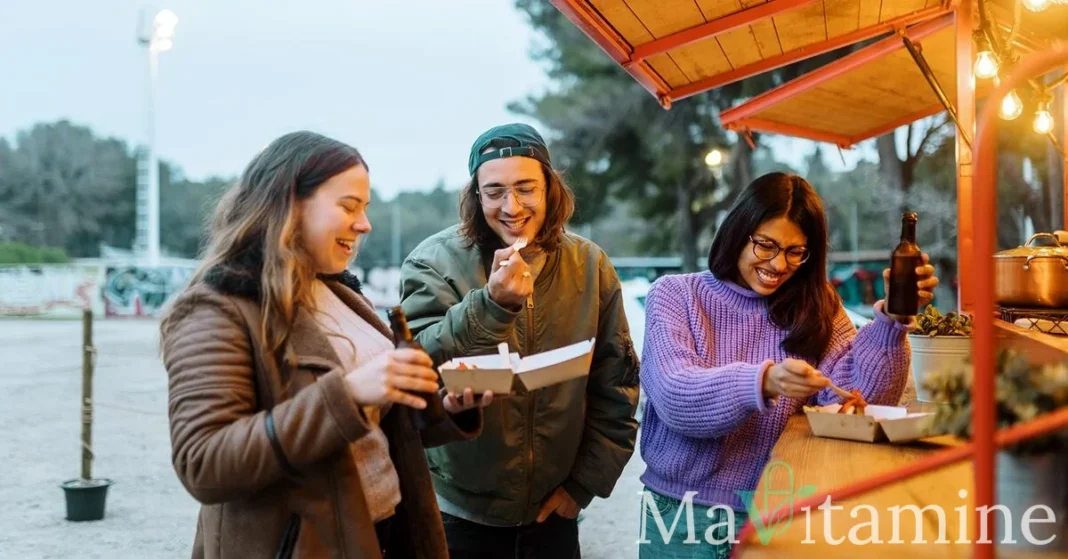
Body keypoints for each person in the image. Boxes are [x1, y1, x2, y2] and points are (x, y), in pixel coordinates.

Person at [159, 131, 492, 559]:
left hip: (382, 532)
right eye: (348, 206)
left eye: (365, 208)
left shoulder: (340, 293)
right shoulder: (217, 308)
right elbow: (203, 464)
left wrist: (446, 409)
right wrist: (349, 394)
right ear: (289, 204)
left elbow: (376, 426)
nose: (365, 224)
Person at [636, 172, 939, 557]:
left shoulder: (817, 306)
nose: (778, 264)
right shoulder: (676, 295)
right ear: (737, 232)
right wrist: (763, 381)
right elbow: (676, 395)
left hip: (778, 513)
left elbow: (861, 400)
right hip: (681, 515)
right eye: (766, 245)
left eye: (795, 252)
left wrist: (891, 322)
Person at [398, 123, 641, 558]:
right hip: (458, 513)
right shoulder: (432, 262)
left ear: (550, 188)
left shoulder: (590, 264)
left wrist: (583, 486)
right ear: (475, 196)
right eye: (494, 191)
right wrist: (492, 304)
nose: (511, 206)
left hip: (553, 514)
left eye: (526, 188)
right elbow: (416, 363)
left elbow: (617, 385)